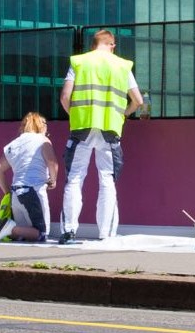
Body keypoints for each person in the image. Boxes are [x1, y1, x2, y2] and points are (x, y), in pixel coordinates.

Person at [56, 27, 145, 243]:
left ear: (93, 44)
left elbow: (65, 96)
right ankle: (106, 234)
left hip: (82, 126)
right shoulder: (122, 66)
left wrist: (76, 116)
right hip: (110, 129)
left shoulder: (79, 62)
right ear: (112, 44)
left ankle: (69, 231)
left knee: (75, 178)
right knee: (107, 179)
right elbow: (138, 101)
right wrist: (122, 115)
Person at [0, 111, 60, 242]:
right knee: (41, 233)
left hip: (16, 194)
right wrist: (53, 179)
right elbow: (53, 163)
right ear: (40, 125)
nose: (47, 127)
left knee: (25, 233)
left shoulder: (13, 144)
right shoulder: (43, 140)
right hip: (33, 191)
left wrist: (7, 192)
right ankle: (7, 229)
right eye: (45, 123)